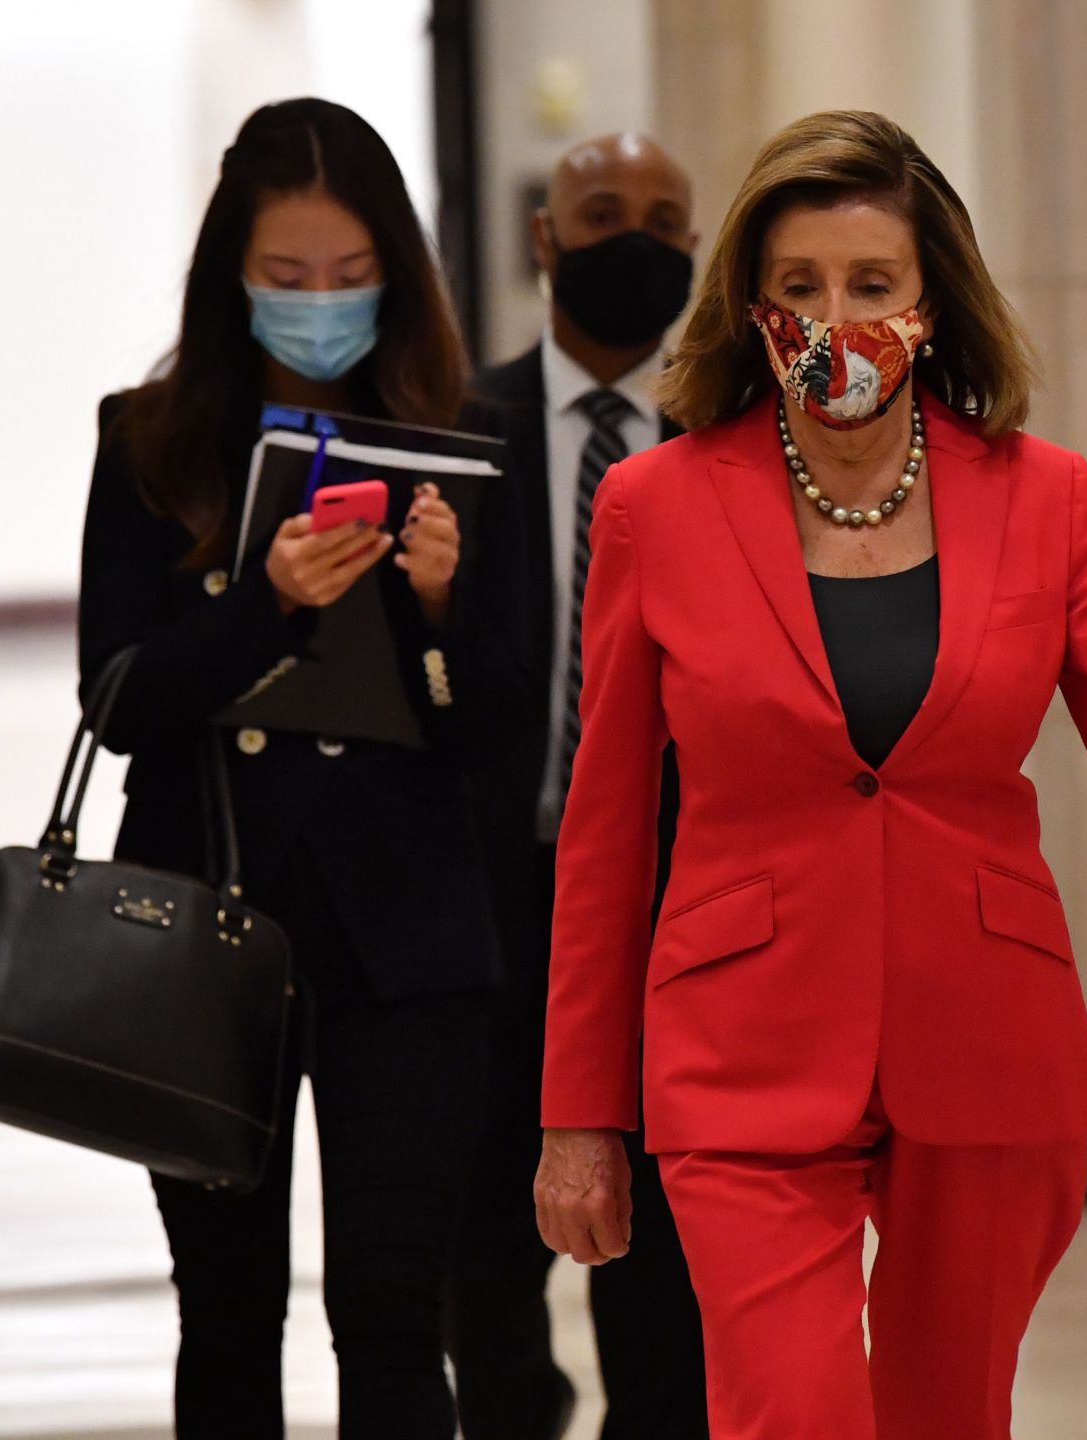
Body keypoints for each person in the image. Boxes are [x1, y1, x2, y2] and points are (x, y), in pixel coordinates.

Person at [530, 109, 1087, 1440]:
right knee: (791, 1413)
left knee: (948, 1414)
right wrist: (578, 1112)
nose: (836, 318)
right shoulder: (659, 506)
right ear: (753, 305)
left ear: (933, 302)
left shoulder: (1044, 501)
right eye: (801, 287)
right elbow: (605, 832)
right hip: (741, 1044)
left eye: (873, 285)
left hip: (985, 1037)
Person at [78, 99, 532, 1439]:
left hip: (409, 937)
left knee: (396, 1312)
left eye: (348, 277)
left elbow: (497, 729)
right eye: (287, 279)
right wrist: (260, 607)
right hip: (206, 929)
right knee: (224, 1311)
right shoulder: (151, 442)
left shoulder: (461, 442)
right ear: (234, 275)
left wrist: (441, 617)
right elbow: (120, 700)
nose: (320, 306)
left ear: (396, 274)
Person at [454, 131, 709, 1440]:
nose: (637, 241)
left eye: (668, 223)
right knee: (482, 1274)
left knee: (666, 1303)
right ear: (545, 239)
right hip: (485, 915)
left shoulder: (725, 445)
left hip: (673, 920)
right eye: (604, 213)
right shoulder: (449, 423)